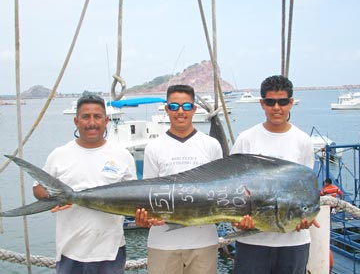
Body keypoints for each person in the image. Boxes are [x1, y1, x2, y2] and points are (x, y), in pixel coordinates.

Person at [33, 94, 137, 274]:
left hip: (110, 252)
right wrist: (54, 197)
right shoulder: (59, 155)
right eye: (85, 117)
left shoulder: (123, 155)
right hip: (70, 251)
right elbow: (38, 188)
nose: (92, 122)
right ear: (76, 121)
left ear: (106, 120)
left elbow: (134, 198)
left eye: (97, 117)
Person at [230, 75, 320, 274]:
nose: (276, 107)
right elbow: (232, 189)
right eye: (270, 102)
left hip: (294, 243)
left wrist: (305, 218)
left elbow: (305, 191)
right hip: (252, 241)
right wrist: (236, 219)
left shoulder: (303, 141)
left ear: (291, 103)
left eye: (282, 102)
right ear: (262, 103)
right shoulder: (246, 139)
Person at [135, 84, 223, 274]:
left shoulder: (211, 145)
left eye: (186, 106)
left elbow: (220, 192)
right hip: (162, 244)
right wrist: (144, 218)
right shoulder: (154, 147)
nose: (180, 112)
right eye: (174, 107)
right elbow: (147, 195)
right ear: (167, 109)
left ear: (194, 109)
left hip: (204, 243)